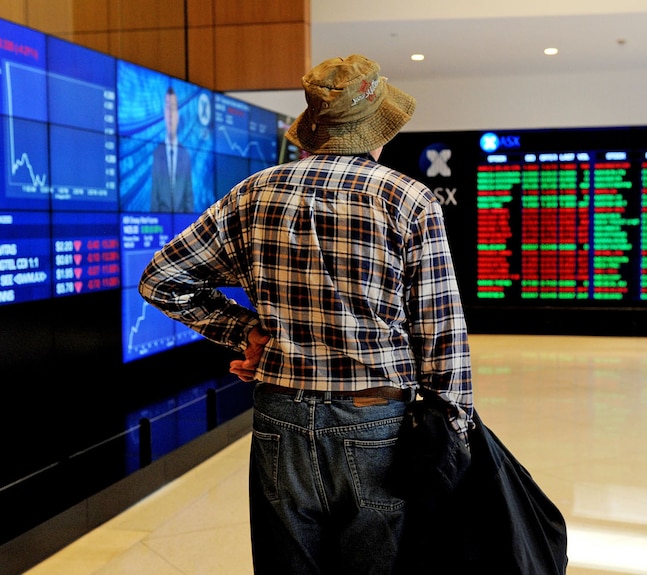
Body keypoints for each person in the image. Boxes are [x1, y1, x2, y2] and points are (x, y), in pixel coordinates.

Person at [139, 54, 474, 574]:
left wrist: (245, 331)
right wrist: (455, 435)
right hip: (377, 422)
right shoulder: (408, 200)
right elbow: (440, 335)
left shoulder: (254, 193)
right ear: (377, 132)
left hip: (280, 420)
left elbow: (162, 279)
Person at [150, 86, 194, 212]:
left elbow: (189, 199)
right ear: (164, 112)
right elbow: (154, 199)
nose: (170, 114)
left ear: (178, 114)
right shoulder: (157, 154)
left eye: (173, 108)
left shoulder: (185, 155)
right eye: (167, 107)